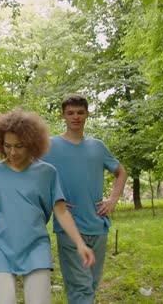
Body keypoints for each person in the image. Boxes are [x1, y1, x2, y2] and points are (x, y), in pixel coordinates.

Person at [0, 108, 95, 304]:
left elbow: (61, 211)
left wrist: (79, 243)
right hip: (1, 245)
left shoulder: (47, 173)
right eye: (7, 146)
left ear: (32, 143)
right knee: (4, 300)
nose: (13, 152)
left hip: (36, 246)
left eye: (19, 146)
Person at [42, 94, 128, 304]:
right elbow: (32, 174)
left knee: (89, 285)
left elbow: (121, 172)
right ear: (63, 116)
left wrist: (112, 200)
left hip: (98, 226)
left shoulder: (98, 147)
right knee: (80, 288)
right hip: (69, 226)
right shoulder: (50, 146)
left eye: (80, 112)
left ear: (87, 114)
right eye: (70, 113)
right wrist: (52, 200)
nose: (76, 117)